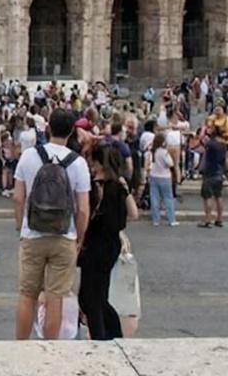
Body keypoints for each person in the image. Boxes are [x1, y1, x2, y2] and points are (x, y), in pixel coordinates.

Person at [13, 109, 91, 340]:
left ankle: (20, 347)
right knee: (55, 296)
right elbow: (83, 209)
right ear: (71, 131)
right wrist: (79, 239)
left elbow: (18, 197)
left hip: (33, 232)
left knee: (28, 294)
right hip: (64, 234)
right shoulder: (78, 163)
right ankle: (49, 348)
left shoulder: (28, 156)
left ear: (48, 127)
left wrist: (21, 226)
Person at [79, 143, 137, 340]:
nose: (91, 165)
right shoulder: (119, 185)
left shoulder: (94, 186)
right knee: (98, 294)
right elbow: (134, 214)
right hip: (111, 243)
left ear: (99, 163)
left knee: (90, 297)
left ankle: (101, 336)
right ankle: (113, 333)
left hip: (95, 243)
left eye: (93, 161)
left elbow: (85, 215)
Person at [197, 127, 228, 228]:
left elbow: (201, 143)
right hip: (219, 171)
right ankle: (219, 219)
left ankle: (208, 219)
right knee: (218, 196)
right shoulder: (223, 145)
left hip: (210, 172)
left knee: (207, 197)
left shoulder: (210, 144)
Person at [146, 132, 177, 227]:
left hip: (153, 175)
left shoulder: (152, 152)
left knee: (155, 198)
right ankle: (171, 219)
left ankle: (156, 220)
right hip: (164, 176)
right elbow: (170, 164)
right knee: (168, 198)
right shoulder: (164, 152)